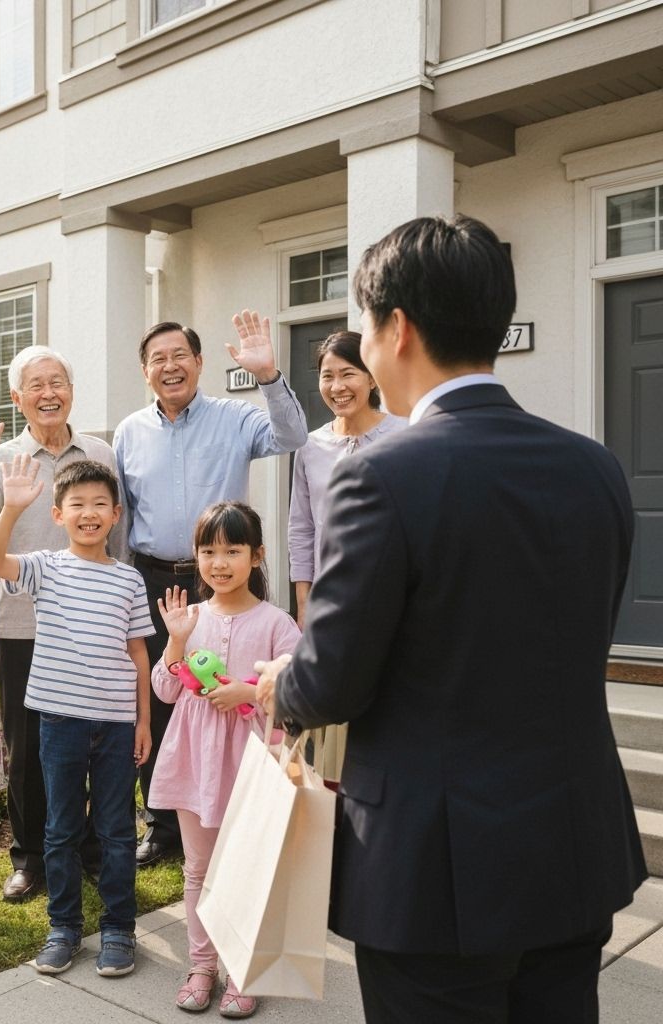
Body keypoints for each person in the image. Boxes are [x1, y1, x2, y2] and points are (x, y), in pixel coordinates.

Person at [255, 215, 647, 1023]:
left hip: (435, 869)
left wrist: (279, 683)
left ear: (396, 328)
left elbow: (330, 680)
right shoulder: (594, 466)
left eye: (363, 326)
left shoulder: (381, 475)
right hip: (573, 843)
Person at [114, 311, 308, 866]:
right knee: (161, 694)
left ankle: (233, 805)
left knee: (227, 696)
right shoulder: (130, 431)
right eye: (158, 359)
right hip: (153, 577)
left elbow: (291, 435)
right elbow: (125, 513)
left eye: (180, 356)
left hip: (219, 580)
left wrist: (269, 375)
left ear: (199, 362)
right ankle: (167, 823)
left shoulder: (235, 418)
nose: (170, 366)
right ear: (145, 371)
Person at [0, 345, 121, 903]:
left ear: (71, 391)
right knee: (26, 748)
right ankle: (29, 857)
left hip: (94, 624)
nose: (48, 393)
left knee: (95, 738)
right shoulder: (5, 458)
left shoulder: (99, 451)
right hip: (25, 626)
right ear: (17, 397)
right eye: (36, 384)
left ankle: (90, 848)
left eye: (58, 381)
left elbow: (117, 533)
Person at [0, 456, 154, 978]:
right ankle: (64, 927)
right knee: (59, 828)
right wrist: (11, 509)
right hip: (59, 722)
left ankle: (120, 928)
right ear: (59, 514)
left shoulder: (128, 580)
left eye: (100, 504)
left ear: (116, 514)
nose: (89, 513)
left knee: (117, 829)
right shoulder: (44, 567)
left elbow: (139, 654)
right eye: (77, 504)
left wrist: (144, 721)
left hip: (118, 722)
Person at [150, 502, 300, 1019]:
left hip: (252, 762)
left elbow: (300, 693)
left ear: (256, 556)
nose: (219, 562)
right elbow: (167, 690)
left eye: (232, 550)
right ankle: (201, 965)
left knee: (247, 870)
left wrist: (249, 690)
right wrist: (175, 638)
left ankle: (243, 970)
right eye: (208, 550)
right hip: (195, 762)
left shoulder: (277, 623)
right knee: (198, 868)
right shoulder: (190, 620)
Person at [288, 330, 405, 628]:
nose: (337, 387)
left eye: (347, 374)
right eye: (327, 376)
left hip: (395, 595)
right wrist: (304, 605)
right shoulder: (309, 446)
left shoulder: (406, 436)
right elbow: (302, 529)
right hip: (330, 600)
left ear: (372, 378)